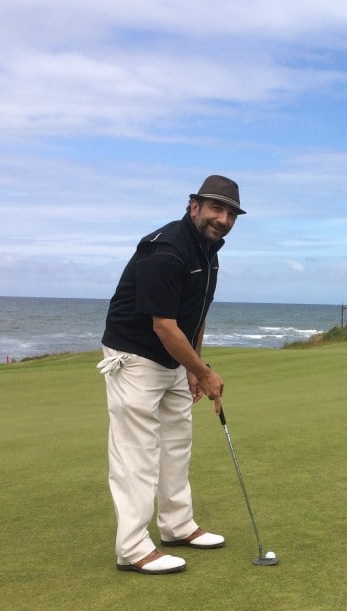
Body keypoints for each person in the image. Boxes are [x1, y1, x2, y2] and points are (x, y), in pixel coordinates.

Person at [98, 175, 246, 574]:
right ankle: (132, 548)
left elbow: (195, 316)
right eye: (216, 208)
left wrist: (196, 368)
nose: (223, 219)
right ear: (193, 205)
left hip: (174, 359)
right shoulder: (166, 250)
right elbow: (164, 326)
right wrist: (203, 372)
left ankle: (177, 526)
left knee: (177, 443)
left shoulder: (209, 252)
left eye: (231, 213)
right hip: (135, 357)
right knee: (136, 453)